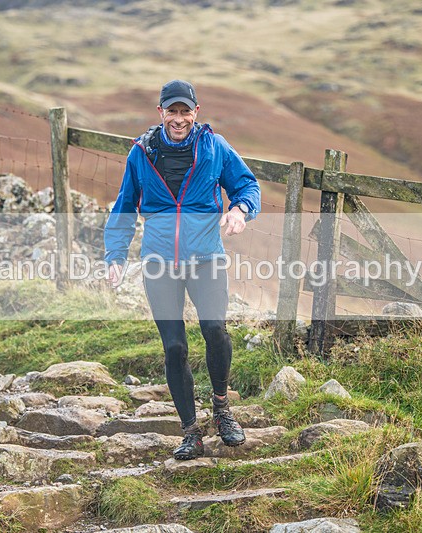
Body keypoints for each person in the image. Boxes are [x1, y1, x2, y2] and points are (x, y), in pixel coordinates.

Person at [104, 79, 261, 460]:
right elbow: (124, 207)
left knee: (215, 331)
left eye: (184, 111)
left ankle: (222, 409)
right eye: (171, 111)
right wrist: (115, 256)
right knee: (174, 347)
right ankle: (190, 430)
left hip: (206, 257)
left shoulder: (214, 146)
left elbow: (247, 186)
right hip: (159, 263)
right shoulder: (141, 154)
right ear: (160, 113)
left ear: (196, 112)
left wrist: (240, 210)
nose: (178, 118)